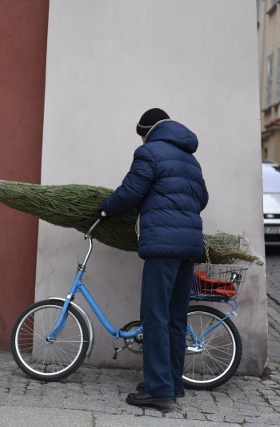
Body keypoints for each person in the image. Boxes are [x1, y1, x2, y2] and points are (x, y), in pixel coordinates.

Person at [99, 108, 208, 411]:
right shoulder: (190, 159)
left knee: (155, 316)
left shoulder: (149, 152)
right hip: (189, 246)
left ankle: (159, 391)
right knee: (175, 317)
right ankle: (172, 383)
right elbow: (202, 199)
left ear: (147, 131)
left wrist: (106, 210)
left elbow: (131, 191)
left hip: (163, 246)